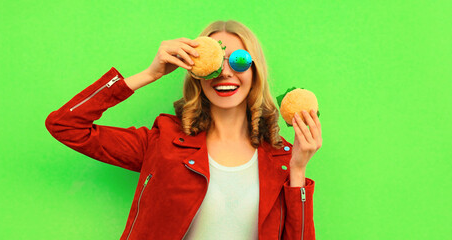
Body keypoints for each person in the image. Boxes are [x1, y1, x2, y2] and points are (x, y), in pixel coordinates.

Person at [45, 20, 322, 240]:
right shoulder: (163, 141)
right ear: (197, 73)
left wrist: (298, 170)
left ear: (255, 70)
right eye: (214, 64)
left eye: (238, 60)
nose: (225, 73)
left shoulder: (282, 156)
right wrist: (149, 74)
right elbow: (66, 126)